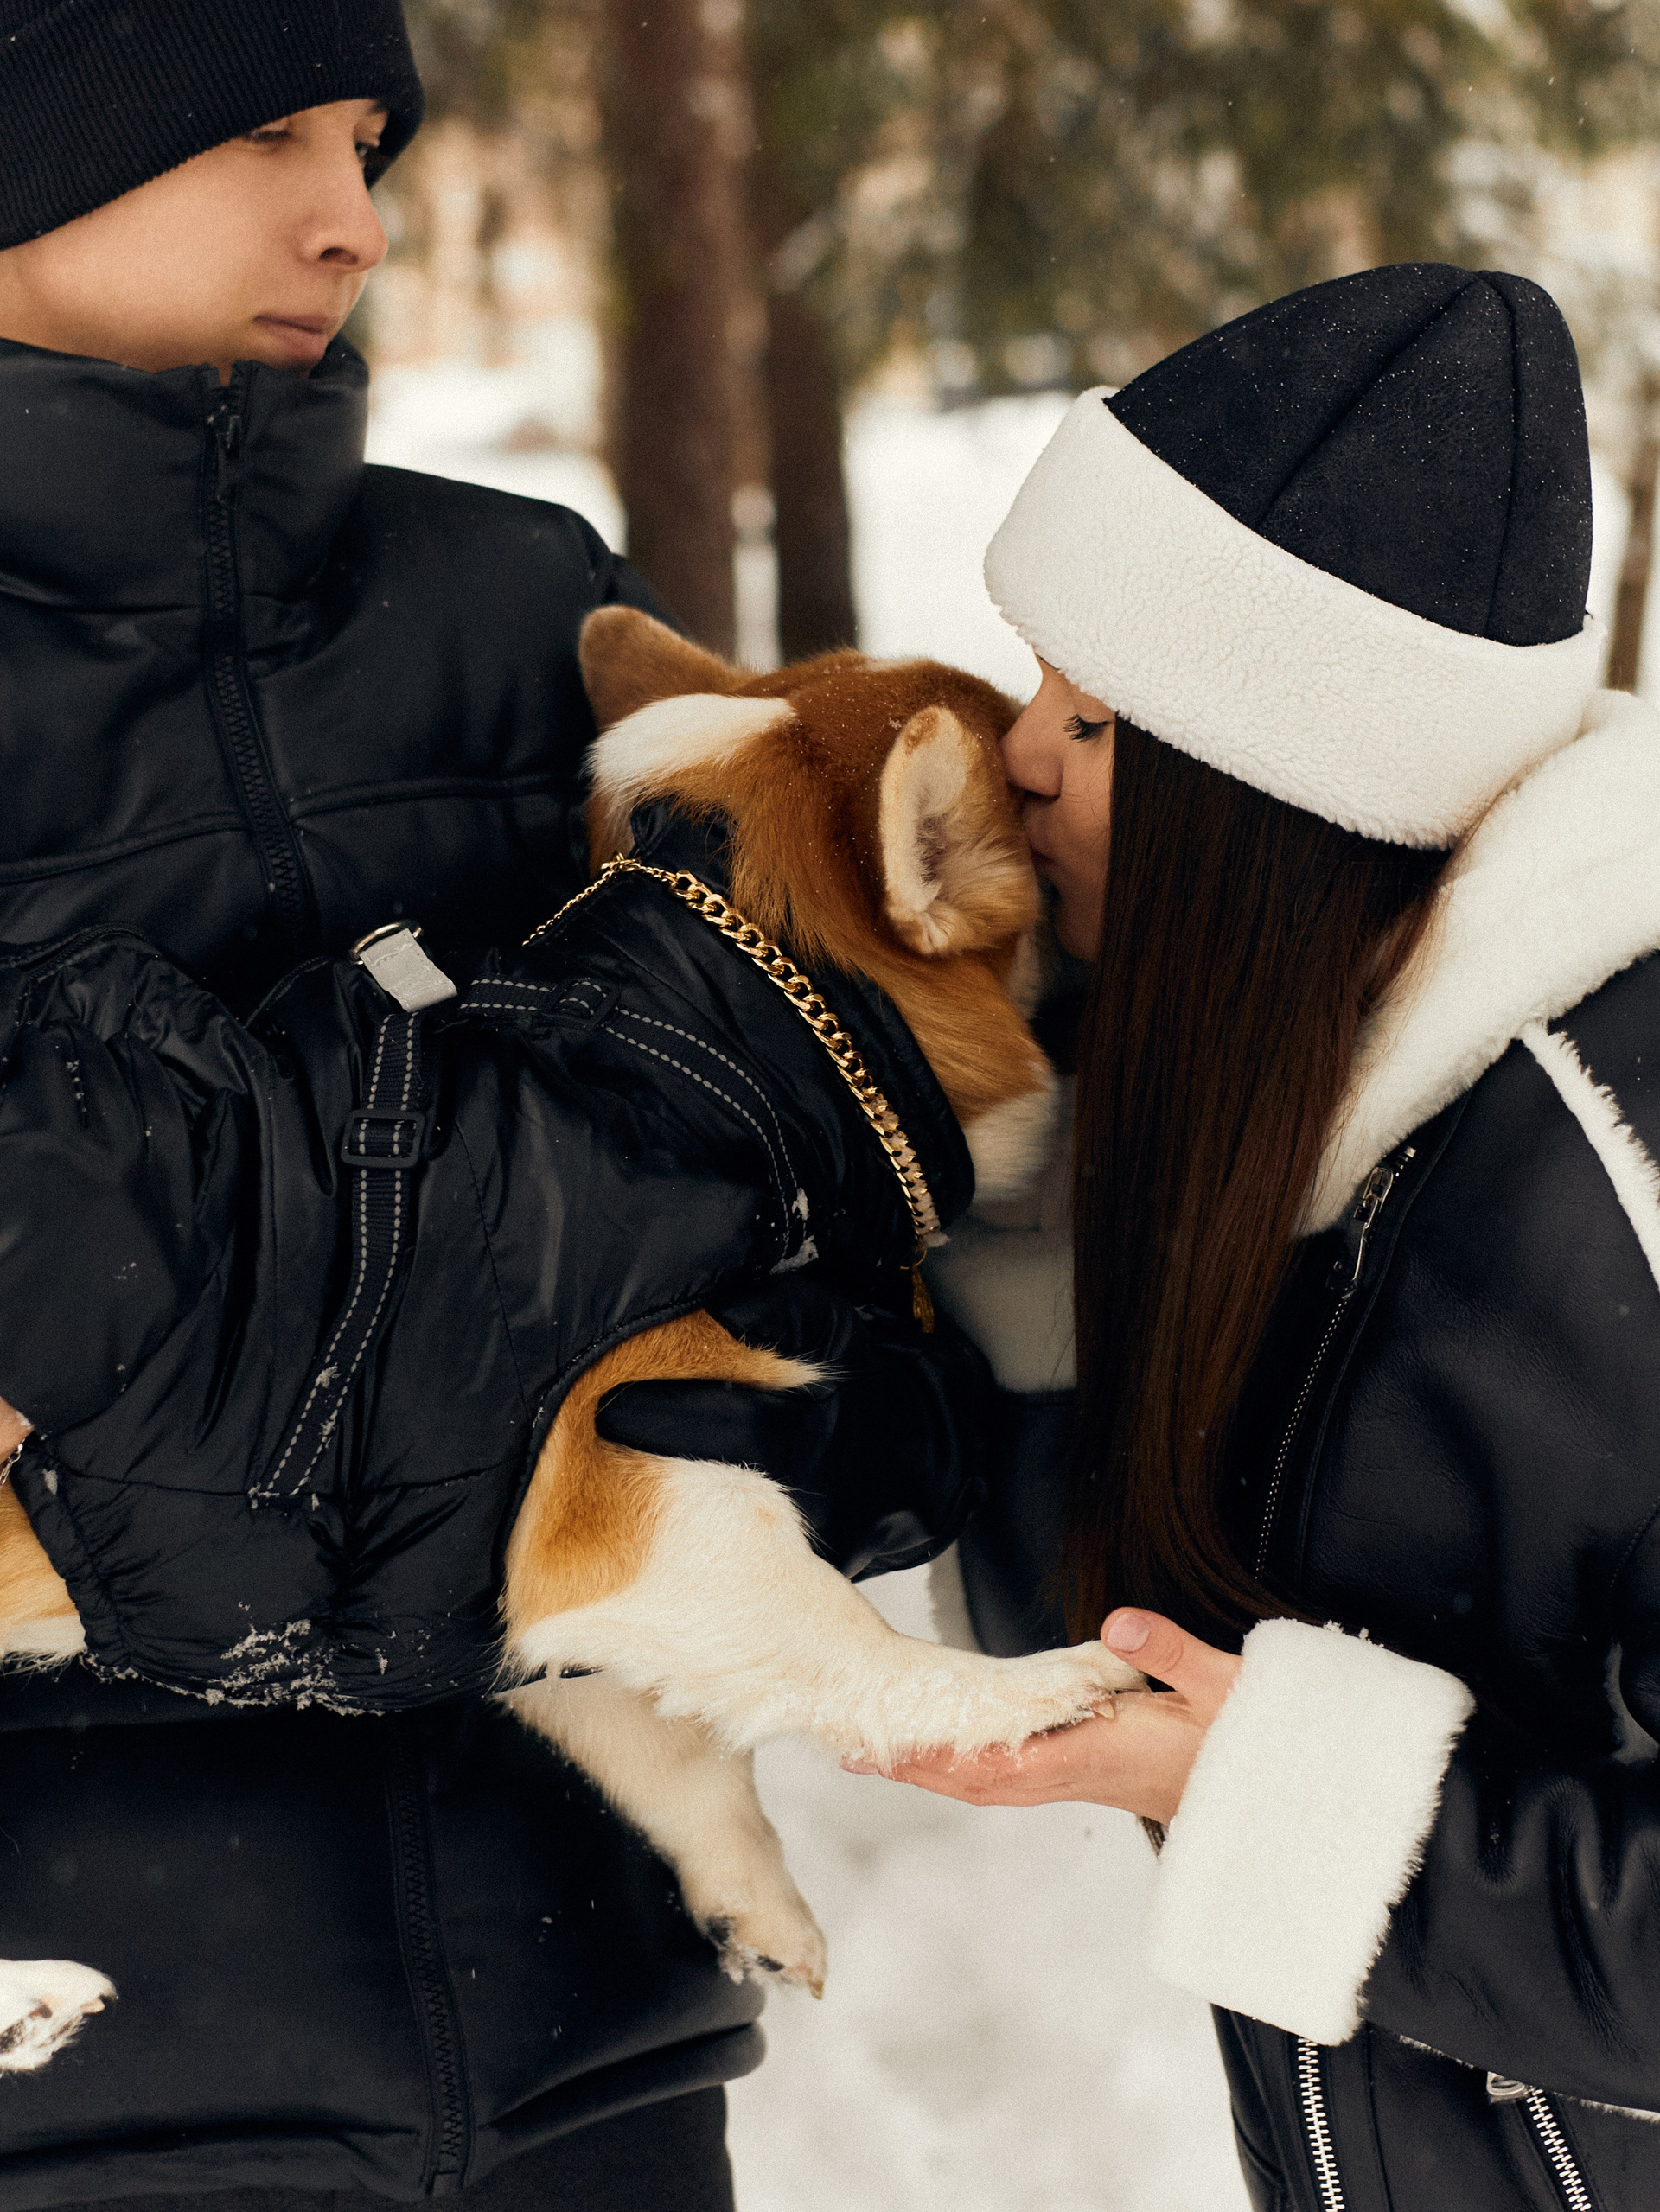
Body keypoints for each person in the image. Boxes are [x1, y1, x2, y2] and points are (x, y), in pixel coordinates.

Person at [0, 5, 986, 2205]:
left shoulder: (525, 608)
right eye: (266, 132)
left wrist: (807, 1427)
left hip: (591, 2032)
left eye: (370, 141)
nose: (352, 222)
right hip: (105, 2075)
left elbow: (811, 1195)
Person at [865, 264, 1660, 2209]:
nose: (1016, 756)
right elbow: (1159, 1604)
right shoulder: (1302, 1102)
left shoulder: (1616, 1172)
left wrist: (1294, 1802)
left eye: (1095, 718)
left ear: (1284, 787)